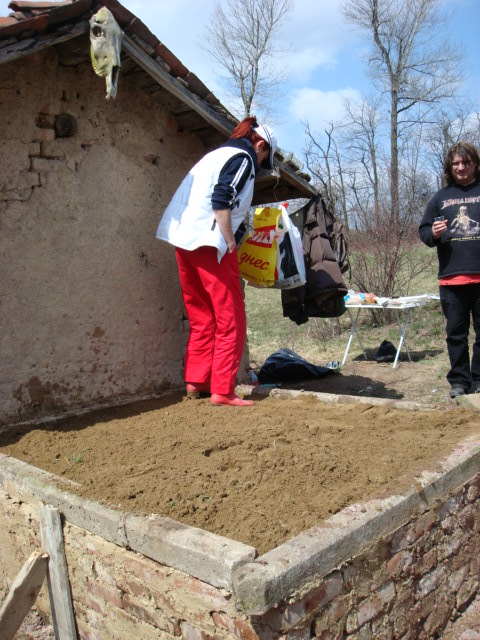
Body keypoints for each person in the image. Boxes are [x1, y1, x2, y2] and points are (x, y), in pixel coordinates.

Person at [156, 116, 277, 406]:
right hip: (211, 243)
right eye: (264, 157)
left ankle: (196, 382)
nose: (260, 163)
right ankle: (222, 390)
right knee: (231, 317)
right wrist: (230, 239)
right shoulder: (243, 158)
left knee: (202, 316)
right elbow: (222, 196)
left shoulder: (214, 155)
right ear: (259, 144)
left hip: (183, 241)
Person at [419, 141, 480, 398]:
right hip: (451, 279)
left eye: (465, 162)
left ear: (475, 164)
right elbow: (423, 231)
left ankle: (478, 381)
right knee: (455, 334)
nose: (461, 167)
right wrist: (432, 233)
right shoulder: (440, 198)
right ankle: (459, 382)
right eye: (456, 163)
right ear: (450, 167)